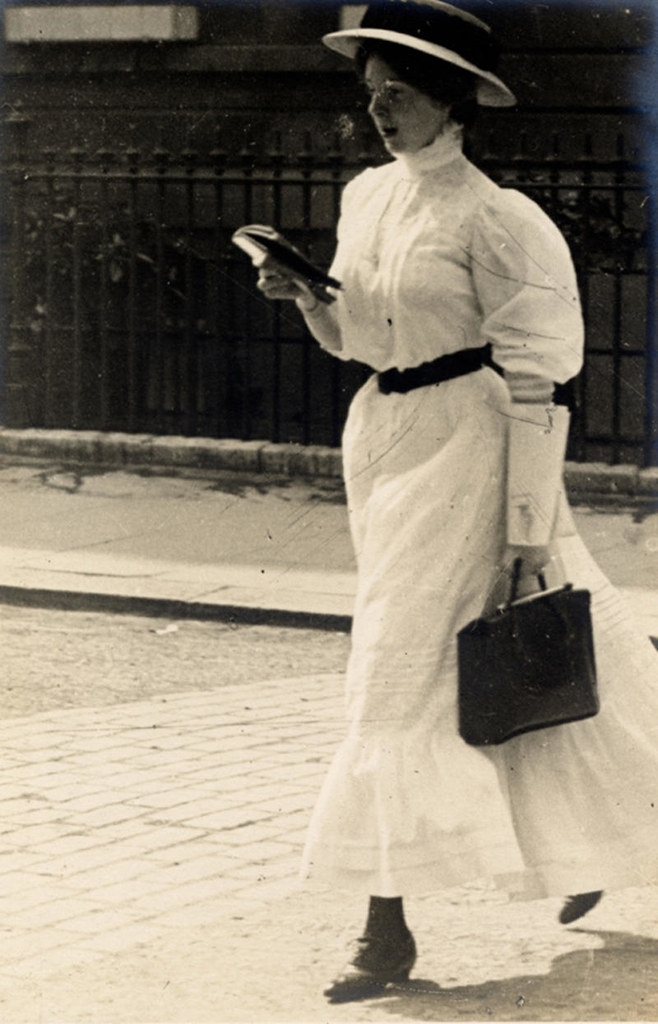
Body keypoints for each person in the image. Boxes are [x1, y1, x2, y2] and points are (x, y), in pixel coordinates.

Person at [253, 0, 658, 1004]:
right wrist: (306, 299)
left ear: (453, 101)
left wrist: (525, 525)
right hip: (387, 443)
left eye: (398, 94)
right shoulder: (365, 198)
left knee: (399, 674)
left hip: (476, 448)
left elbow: (540, 380)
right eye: (371, 94)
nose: (379, 112)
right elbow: (361, 339)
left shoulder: (498, 219)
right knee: (545, 650)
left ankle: (383, 933)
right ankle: (601, 832)